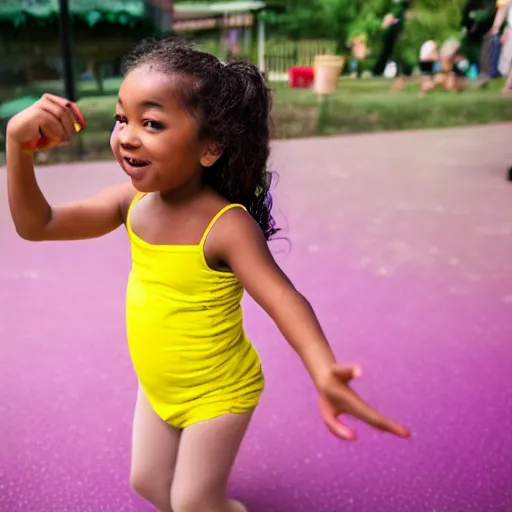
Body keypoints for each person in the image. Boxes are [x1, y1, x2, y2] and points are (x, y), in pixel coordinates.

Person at [5, 38, 410, 512]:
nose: (127, 136)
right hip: (159, 387)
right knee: (149, 485)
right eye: (122, 118)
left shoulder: (227, 227)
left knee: (192, 502)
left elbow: (285, 299)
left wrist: (322, 368)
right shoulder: (129, 202)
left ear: (210, 148)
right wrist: (18, 146)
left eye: (151, 123)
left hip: (219, 393)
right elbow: (38, 225)